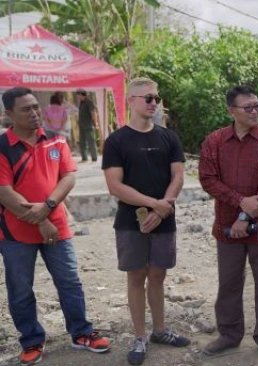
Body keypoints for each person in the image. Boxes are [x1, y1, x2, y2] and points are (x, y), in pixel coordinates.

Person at [0, 87, 110, 365]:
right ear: (8, 114)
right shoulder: (2, 147)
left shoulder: (56, 141)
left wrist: (48, 209)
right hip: (15, 232)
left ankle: (81, 332)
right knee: (20, 288)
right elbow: (4, 193)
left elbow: (68, 177)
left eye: (36, 106)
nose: (35, 113)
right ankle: (32, 340)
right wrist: (43, 221)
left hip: (57, 228)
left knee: (70, 282)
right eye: (26, 109)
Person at [102, 77, 189, 365]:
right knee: (137, 275)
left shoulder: (168, 137)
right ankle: (140, 336)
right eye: (147, 98)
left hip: (164, 217)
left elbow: (178, 175)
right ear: (131, 101)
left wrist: (165, 208)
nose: (154, 103)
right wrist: (154, 204)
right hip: (131, 220)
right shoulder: (116, 140)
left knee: (159, 275)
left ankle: (160, 330)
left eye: (156, 98)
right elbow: (115, 185)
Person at [198, 85, 258, 360]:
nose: (255, 111)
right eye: (248, 107)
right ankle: (229, 334)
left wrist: (245, 216)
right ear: (231, 111)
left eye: (257, 105)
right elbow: (207, 179)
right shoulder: (214, 141)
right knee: (229, 283)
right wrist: (239, 202)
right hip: (227, 225)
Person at [75, 89, 98, 162]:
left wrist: (95, 123)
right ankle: (84, 157)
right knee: (82, 142)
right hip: (82, 125)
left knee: (91, 141)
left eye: (78, 95)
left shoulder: (89, 102)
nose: (77, 97)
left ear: (81, 94)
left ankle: (94, 157)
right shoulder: (81, 103)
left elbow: (93, 112)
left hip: (88, 125)